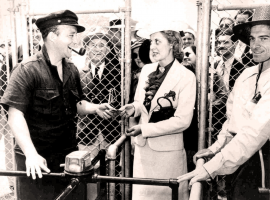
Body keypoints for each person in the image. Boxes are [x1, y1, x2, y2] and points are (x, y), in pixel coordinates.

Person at [1, 10, 115, 200]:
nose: (76, 41)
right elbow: (15, 115)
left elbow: (77, 104)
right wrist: (31, 154)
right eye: (71, 35)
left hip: (67, 157)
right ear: (53, 36)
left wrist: (95, 107)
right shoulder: (27, 70)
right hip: (37, 161)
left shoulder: (71, 70)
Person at [177, 6, 270, 200]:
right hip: (236, 157)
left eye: (264, 38)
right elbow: (231, 121)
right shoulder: (247, 74)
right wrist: (215, 149)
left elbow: (256, 133)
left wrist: (213, 166)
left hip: (262, 161)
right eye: (252, 38)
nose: (255, 45)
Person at [120, 22, 196, 200]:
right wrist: (133, 108)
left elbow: (183, 120)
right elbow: (141, 103)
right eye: (151, 42)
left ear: (172, 43)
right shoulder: (146, 70)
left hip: (168, 154)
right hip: (142, 152)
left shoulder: (186, 76)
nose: (152, 47)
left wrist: (144, 129)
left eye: (157, 42)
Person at [181, 45, 198, 172]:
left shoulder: (209, 74)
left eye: (188, 54)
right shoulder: (182, 73)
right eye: (183, 54)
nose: (185, 57)